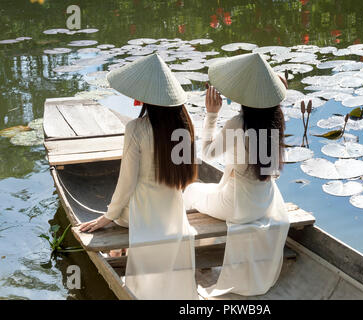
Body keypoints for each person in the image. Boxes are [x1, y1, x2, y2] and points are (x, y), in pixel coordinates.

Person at [79, 53, 198, 300]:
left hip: (142, 216)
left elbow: (126, 183)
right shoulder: (185, 126)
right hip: (172, 214)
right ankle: (121, 250)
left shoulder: (136, 129)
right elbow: (184, 177)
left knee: (120, 209)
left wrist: (108, 216)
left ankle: (117, 253)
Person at [183, 52, 290, 297]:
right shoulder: (277, 119)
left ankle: (194, 258)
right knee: (208, 189)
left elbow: (208, 153)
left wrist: (211, 114)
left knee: (190, 190)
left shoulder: (237, 124)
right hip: (264, 205)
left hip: (238, 208)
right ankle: (208, 253)